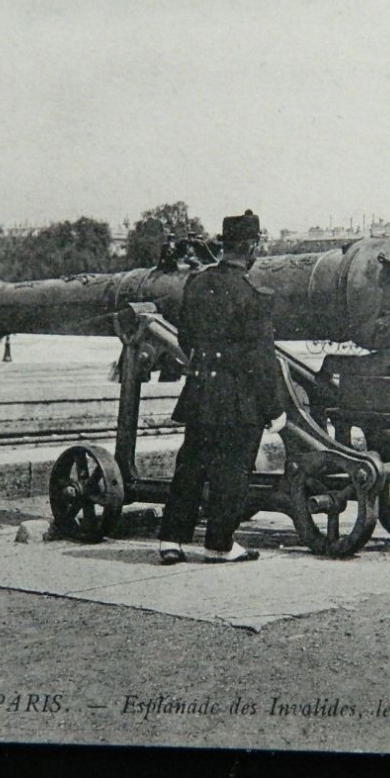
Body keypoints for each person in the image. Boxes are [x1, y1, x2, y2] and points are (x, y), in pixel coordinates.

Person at [157, 210, 287, 564]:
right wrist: (275, 409)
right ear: (251, 247)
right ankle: (219, 544)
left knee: (191, 465)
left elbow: (185, 337)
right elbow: (262, 360)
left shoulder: (197, 284)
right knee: (232, 470)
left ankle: (171, 540)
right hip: (237, 399)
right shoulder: (253, 295)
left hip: (200, 391)